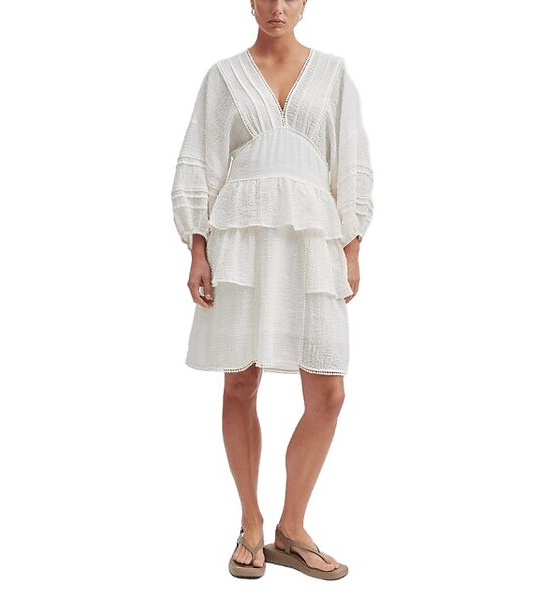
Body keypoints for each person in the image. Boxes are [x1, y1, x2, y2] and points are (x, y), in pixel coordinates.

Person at [171, 0, 373, 580]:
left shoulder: (333, 74)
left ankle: (293, 526)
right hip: (241, 241)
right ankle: (251, 524)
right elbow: (199, 162)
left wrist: (352, 245)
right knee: (241, 382)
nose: (277, 6)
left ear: (306, 3)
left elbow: (351, 162)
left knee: (328, 393)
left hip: (312, 241)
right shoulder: (223, 77)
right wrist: (198, 248)